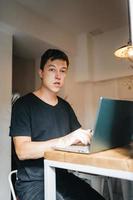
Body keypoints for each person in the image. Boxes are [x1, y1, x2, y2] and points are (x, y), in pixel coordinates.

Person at [9, 49, 105, 200]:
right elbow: (22, 150)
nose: (58, 76)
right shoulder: (23, 105)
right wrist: (64, 140)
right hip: (34, 183)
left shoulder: (65, 107)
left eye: (63, 71)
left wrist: (89, 136)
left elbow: (77, 137)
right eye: (52, 69)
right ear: (41, 72)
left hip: (62, 177)